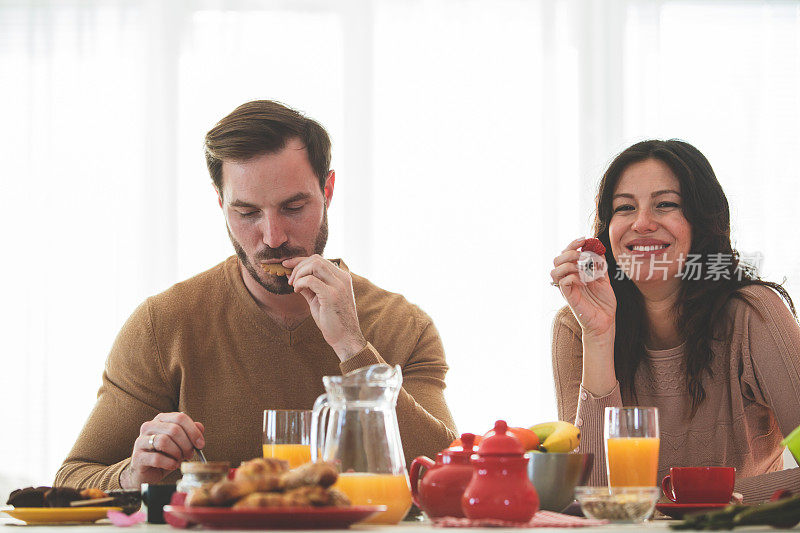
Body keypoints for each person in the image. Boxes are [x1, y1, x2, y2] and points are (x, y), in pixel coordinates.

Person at [55, 100, 457, 490]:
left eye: (294, 207)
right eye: (246, 213)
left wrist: (353, 347)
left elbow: (445, 479)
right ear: (221, 204)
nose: (273, 237)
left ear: (328, 190)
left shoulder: (404, 326)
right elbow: (73, 477)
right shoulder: (163, 326)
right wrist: (133, 475)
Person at [550, 139, 800, 503]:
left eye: (665, 204)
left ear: (702, 221)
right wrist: (599, 334)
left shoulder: (754, 315)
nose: (642, 223)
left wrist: (687, 499)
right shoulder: (577, 327)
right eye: (624, 208)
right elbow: (595, 497)